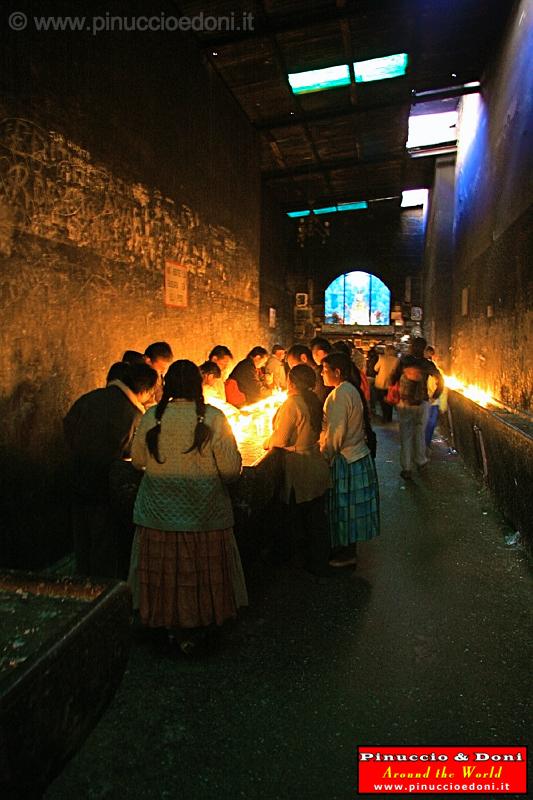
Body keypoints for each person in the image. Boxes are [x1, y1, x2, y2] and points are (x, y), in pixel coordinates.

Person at [129, 359, 246, 655]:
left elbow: (139, 461)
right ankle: (198, 626)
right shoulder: (215, 418)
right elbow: (231, 470)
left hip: (158, 514)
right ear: (198, 385)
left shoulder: (152, 416)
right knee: (198, 575)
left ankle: (168, 626)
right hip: (204, 513)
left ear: (166, 385)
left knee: (166, 575)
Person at [63, 363, 158, 578]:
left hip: (77, 475)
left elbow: (68, 424)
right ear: (143, 390)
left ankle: (80, 584)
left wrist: (80, 450)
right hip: (104, 483)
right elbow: (134, 453)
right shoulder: (133, 413)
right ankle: (102, 592)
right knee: (103, 540)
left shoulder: (90, 398)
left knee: (82, 538)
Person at [264, 364, 331, 578]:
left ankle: (298, 562)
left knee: (297, 516)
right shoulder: (313, 400)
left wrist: (268, 441)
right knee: (315, 517)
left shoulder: (292, 403)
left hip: (300, 467)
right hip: (315, 462)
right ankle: (319, 560)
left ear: (291, 382)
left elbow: (281, 438)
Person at [320, 352, 380, 567]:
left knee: (345, 507)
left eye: (324, 370)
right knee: (352, 508)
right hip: (357, 455)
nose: (321, 373)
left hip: (347, 458)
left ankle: (345, 553)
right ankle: (348, 550)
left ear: (337, 372)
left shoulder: (339, 396)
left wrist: (325, 456)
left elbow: (336, 434)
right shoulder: (349, 390)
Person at [389, 336, 444, 480]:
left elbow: (392, 378)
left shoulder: (404, 361)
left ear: (411, 347)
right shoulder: (427, 364)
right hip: (422, 402)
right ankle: (421, 461)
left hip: (405, 402)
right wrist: (435, 396)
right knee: (420, 432)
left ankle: (406, 468)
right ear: (424, 349)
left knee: (406, 435)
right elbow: (441, 380)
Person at [424, 345, 448, 452]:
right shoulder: (430, 370)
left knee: (429, 424)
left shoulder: (435, 371)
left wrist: (435, 398)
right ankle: (424, 444)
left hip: (431, 402)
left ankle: (425, 444)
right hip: (428, 401)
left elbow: (441, 386)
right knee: (428, 424)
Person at [374, 344, 399, 423]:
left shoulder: (382, 358)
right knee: (390, 400)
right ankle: (389, 417)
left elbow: (375, 368)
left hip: (381, 382)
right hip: (391, 383)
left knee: (382, 401)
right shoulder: (397, 360)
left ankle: (385, 417)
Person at [310, 337, 333, 405]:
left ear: (320, 353)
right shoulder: (340, 362)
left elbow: (320, 394)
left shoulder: (322, 369)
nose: (313, 358)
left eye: (313, 354)